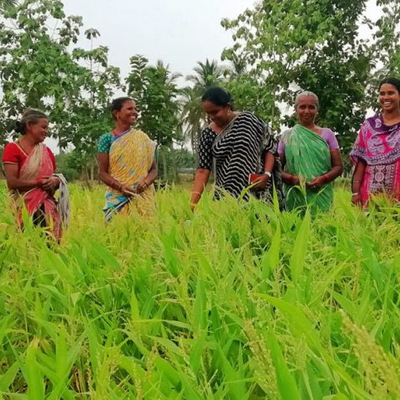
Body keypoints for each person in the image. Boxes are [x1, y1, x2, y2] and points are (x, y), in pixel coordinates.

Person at [190, 86, 284, 210]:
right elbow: (203, 170)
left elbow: (270, 147)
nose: (212, 117)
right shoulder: (207, 134)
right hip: (226, 197)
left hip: (257, 192)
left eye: (215, 112)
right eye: (208, 113)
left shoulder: (249, 121)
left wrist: (266, 174)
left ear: (227, 107)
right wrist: (192, 205)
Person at [2, 108, 69, 241]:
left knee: (50, 246)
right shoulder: (13, 149)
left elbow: (51, 180)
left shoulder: (46, 152)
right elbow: (12, 182)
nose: (46, 131)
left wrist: (55, 181)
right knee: (25, 245)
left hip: (47, 209)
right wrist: (38, 182)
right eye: (43, 127)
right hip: (23, 208)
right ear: (29, 125)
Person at [278, 91, 343, 213]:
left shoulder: (327, 134)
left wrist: (323, 179)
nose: (307, 111)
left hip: (321, 195)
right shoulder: (287, 136)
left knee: (323, 223)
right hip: (294, 196)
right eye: (302, 107)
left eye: (311, 107)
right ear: (296, 110)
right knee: (294, 224)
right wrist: (292, 179)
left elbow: (338, 167)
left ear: (317, 110)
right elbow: (277, 168)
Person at [98, 97, 157, 222]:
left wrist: (146, 182)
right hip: (118, 198)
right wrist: (121, 187)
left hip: (143, 197)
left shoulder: (143, 138)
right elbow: (103, 173)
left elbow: (154, 170)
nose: (135, 112)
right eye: (130, 109)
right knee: (117, 231)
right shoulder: (107, 139)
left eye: (136, 109)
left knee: (146, 231)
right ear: (117, 113)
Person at [350, 77, 400, 207]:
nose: (386, 97)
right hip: (369, 194)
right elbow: (361, 161)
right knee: (369, 220)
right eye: (382, 94)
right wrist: (355, 192)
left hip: (397, 196)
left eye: (391, 93)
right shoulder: (369, 126)